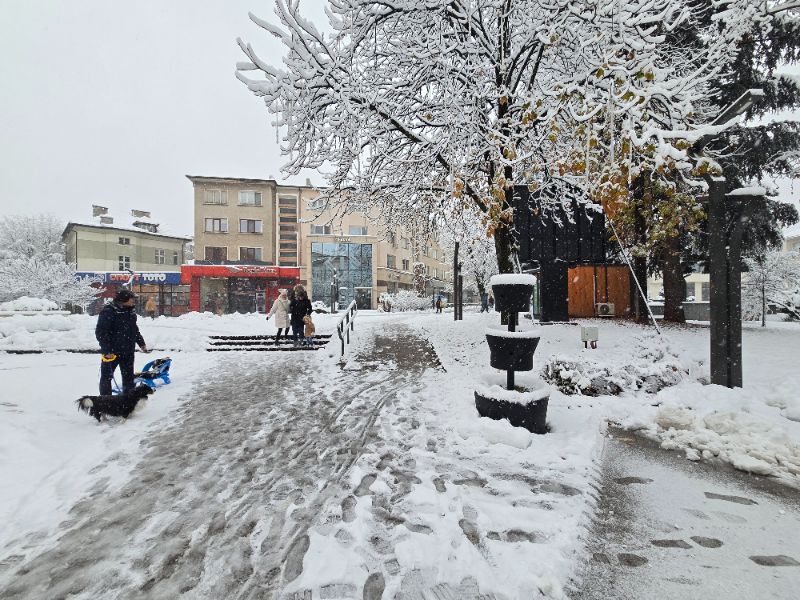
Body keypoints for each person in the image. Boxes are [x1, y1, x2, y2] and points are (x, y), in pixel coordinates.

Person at [95, 288, 148, 395]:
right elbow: (101, 332)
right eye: (131, 298)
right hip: (112, 353)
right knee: (107, 377)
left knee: (128, 378)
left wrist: (141, 343)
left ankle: (128, 402)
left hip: (128, 351)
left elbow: (134, 329)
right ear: (124, 299)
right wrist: (107, 350)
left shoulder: (131, 312)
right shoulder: (109, 311)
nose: (134, 301)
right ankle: (105, 402)